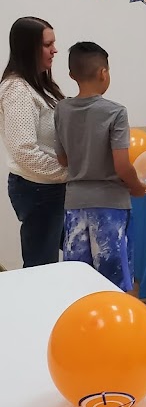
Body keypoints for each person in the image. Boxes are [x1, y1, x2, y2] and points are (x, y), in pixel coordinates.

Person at [54, 41, 146, 291]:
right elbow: (122, 165)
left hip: (75, 204)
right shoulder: (115, 112)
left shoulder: (61, 109)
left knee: (78, 280)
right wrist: (137, 187)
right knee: (114, 279)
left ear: (71, 74)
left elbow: (62, 159)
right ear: (103, 73)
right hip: (110, 204)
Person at [0, 17, 67, 267]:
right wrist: (70, 172)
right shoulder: (17, 90)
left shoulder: (40, 84)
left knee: (56, 259)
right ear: (29, 49)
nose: (55, 50)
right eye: (48, 45)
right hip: (38, 189)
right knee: (41, 265)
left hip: (51, 186)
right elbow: (24, 152)